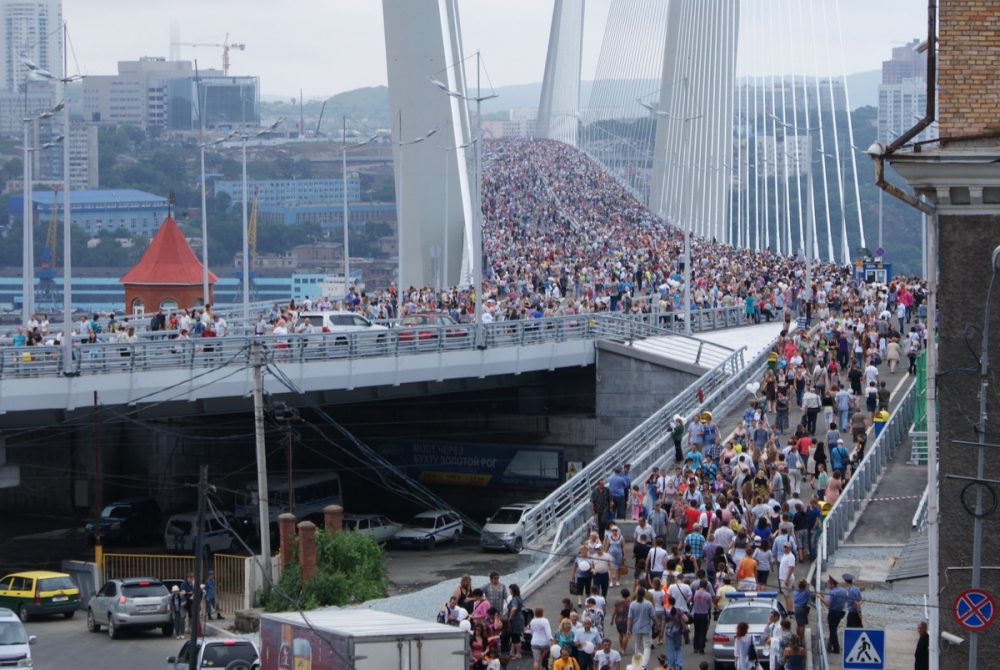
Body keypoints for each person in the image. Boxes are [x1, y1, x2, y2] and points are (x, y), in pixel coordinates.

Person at [626, 586, 655, 667]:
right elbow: (653, 616)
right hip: (646, 628)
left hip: (636, 628)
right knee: (647, 647)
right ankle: (644, 664)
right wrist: (656, 625)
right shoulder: (648, 604)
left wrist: (628, 629)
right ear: (644, 594)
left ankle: (637, 663)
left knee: (637, 646)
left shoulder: (632, 604)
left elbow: (630, 618)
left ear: (637, 594)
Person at [819, 575, 848, 654]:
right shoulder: (843, 590)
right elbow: (846, 599)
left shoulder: (832, 592)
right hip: (840, 612)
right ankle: (836, 647)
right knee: (834, 629)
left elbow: (828, 603)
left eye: (828, 583)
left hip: (833, 613)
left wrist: (821, 598)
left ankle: (831, 644)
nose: (827, 585)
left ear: (832, 584)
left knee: (832, 630)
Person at [506, 584, 524, 660]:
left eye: (510, 589)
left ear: (512, 590)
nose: (509, 591)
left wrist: (510, 617)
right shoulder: (519, 598)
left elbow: (514, 608)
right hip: (519, 617)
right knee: (514, 636)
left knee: (516, 636)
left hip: (515, 619)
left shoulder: (515, 599)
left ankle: (518, 653)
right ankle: (512, 651)